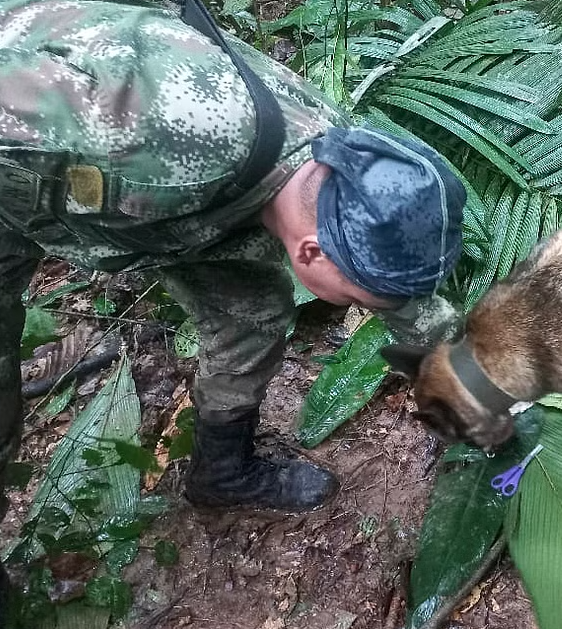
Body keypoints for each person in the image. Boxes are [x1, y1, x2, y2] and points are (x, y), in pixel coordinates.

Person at [0, 0, 465, 557]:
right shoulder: (145, 143)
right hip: (26, 169)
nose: (368, 306)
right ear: (312, 252)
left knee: (253, 312)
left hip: (171, 209)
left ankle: (222, 471)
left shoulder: (337, 165)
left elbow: (402, 296)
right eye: (358, 301)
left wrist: (474, 382)